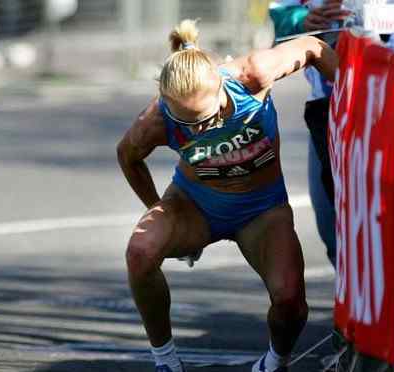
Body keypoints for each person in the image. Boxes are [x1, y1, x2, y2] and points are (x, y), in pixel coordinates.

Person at [116, 19, 338, 372]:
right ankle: (166, 360)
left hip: (262, 211)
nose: (205, 128)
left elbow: (312, 47)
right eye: (191, 124)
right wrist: (157, 208)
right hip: (195, 206)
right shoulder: (155, 120)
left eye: (209, 116)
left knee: (291, 303)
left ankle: (274, 362)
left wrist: (351, 96)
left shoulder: (252, 75)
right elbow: (127, 156)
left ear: (222, 84)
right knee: (139, 252)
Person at [269, 0, 350, 267]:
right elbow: (281, 16)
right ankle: (349, 295)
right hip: (327, 107)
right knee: (329, 222)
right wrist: (301, 21)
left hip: (385, 100)